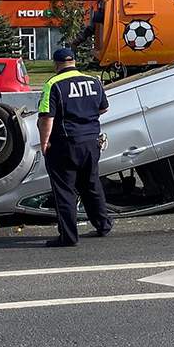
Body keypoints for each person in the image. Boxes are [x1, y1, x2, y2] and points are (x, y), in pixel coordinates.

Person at [37, 47, 112, 247]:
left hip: (65, 143)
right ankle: (103, 225)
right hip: (91, 142)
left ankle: (68, 236)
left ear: (56, 64)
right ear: (74, 62)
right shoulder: (93, 81)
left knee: (65, 190)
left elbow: (47, 117)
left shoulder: (53, 84)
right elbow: (104, 107)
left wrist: (44, 142)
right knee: (92, 184)